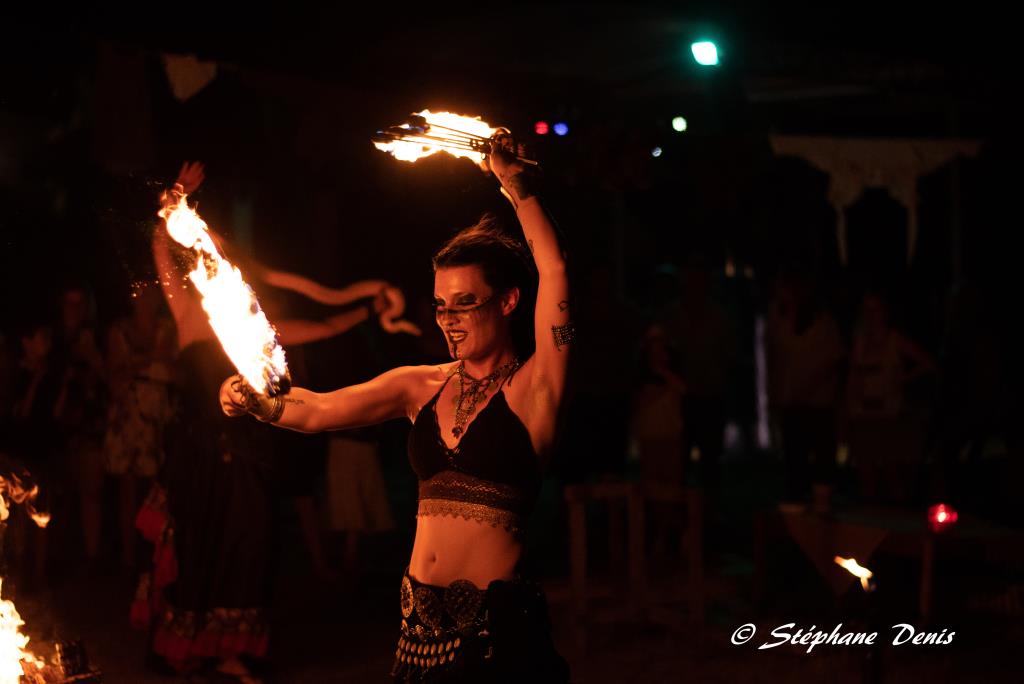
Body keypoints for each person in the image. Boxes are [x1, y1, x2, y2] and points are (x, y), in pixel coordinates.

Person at [220, 136, 572, 682]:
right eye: (439, 306)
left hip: (496, 638)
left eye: (465, 303)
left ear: (507, 302)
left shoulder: (536, 387)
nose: (448, 319)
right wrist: (255, 403)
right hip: (418, 635)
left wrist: (516, 186)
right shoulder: (420, 386)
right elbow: (316, 410)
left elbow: (553, 271)